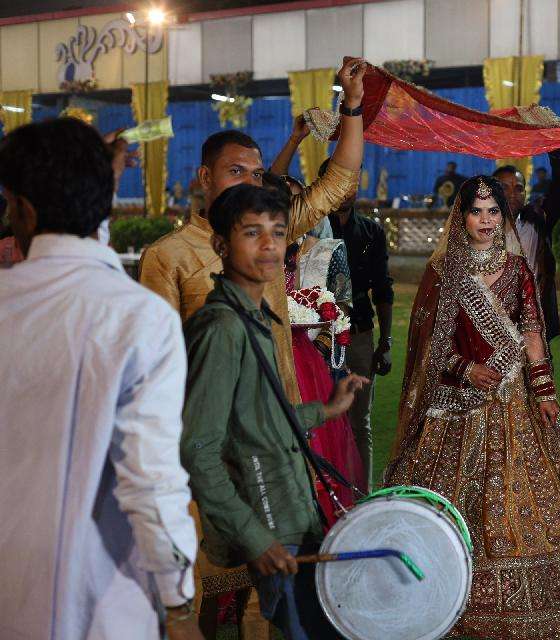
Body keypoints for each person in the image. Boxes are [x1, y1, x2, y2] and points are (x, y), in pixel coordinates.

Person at [139, 56, 366, 638]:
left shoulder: (266, 233)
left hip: (276, 437)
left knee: (278, 595)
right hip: (213, 452)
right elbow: (159, 370)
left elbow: (339, 183)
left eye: (256, 172)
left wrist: (353, 106)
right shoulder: (169, 257)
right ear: (205, 177)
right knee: (211, 587)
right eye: (234, 171)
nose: (247, 182)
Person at [384, 175, 560, 639]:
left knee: (517, 498)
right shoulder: (444, 272)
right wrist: (466, 369)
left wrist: (544, 391)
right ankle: (439, 584)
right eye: (476, 211)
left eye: (493, 212)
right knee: (454, 496)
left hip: (512, 401)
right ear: (461, 217)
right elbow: (429, 343)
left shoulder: (517, 268)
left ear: (504, 217)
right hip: (457, 406)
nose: (486, 221)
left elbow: (531, 332)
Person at [0, 117, 201, 640]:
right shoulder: (139, 318)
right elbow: (151, 481)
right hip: (100, 603)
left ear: (22, 209)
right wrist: (179, 602)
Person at [180, 184, 367, 640]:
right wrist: (255, 538)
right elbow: (198, 449)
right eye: (252, 232)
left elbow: (254, 423)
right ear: (221, 244)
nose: (269, 245)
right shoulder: (222, 327)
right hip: (267, 521)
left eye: (278, 232)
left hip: (290, 511)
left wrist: (325, 410)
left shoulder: (254, 315)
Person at [284, 214, 366, 519]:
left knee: (318, 437)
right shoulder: (265, 251)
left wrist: (319, 349)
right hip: (274, 354)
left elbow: (341, 307)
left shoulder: (327, 250)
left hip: (313, 360)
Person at [325, 158, 394, 489]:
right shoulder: (311, 230)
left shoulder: (371, 232)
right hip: (317, 336)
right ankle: (328, 495)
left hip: (359, 334)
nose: (346, 190)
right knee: (323, 418)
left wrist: (386, 341)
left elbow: (382, 288)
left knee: (359, 421)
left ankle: (361, 496)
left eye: (351, 183)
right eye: (339, 182)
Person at [493, 149, 560, 341]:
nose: (512, 194)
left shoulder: (537, 220)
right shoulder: (479, 228)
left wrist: (554, 144)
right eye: (504, 187)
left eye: (518, 188)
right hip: (490, 324)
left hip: (534, 324)